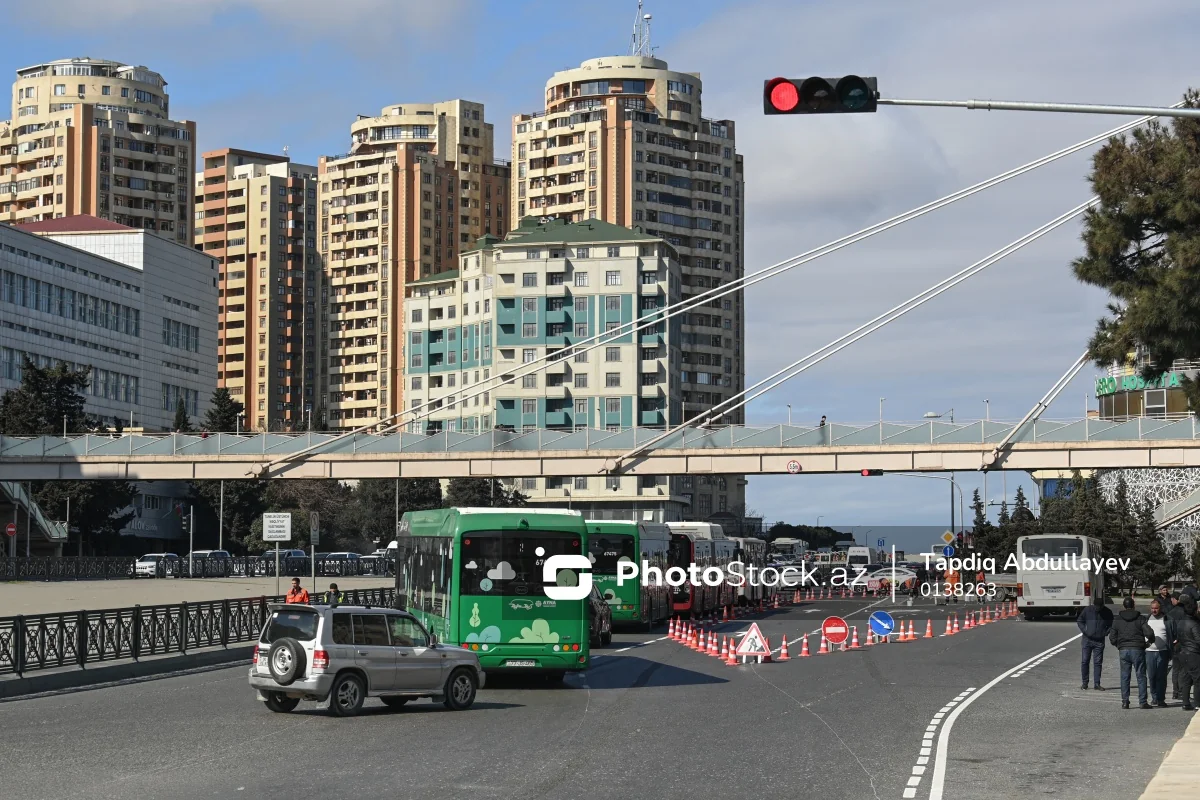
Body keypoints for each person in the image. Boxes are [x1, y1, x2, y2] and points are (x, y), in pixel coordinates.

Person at [1109, 596, 1154, 709]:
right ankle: (1143, 702)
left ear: (1123, 606)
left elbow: (1112, 637)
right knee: (1141, 676)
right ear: (1134, 606)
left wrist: (1118, 645)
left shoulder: (1118, 619)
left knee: (1125, 676)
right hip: (1138, 649)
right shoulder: (1140, 618)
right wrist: (1148, 643)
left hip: (1123, 649)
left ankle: (1125, 701)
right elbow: (1149, 633)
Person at [1076, 596, 1114, 691]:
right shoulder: (1088, 610)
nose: (1098, 608)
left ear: (1102, 606)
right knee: (1085, 661)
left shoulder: (1107, 612)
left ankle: (1097, 684)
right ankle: (1085, 683)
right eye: (1096, 606)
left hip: (1099, 641)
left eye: (1100, 607)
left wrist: (1106, 632)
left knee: (1098, 663)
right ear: (1094, 604)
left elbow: (1111, 624)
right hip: (1087, 640)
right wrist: (1085, 631)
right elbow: (1080, 620)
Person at [1173, 594, 1200, 711]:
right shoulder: (1194, 624)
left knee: (1186, 678)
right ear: (1194, 611)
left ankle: (1185, 702)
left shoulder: (1181, 622)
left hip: (1183, 653)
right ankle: (1198, 703)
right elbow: (1198, 639)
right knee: (1198, 679)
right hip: (1193, 653)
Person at [1145, 598, 1172, 707]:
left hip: (1163, 651)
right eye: (1152, 608)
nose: (1154, 610)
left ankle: (1161, 699)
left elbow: (1172, 633)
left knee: (1161, 677)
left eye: (1156, 608)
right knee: (1152, 676)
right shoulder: (1147, 619)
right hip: (1149, 651)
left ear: (1160, 608)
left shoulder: (1166, 619)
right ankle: (1154, 697)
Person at [1167, 592, 1189, 701]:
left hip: (1174, 643)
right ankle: (1181, 691)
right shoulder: (1186, 613)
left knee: (1175, 668)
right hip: (1184, 643)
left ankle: (1175, 692)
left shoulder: (1170, 613)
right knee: (1183, 669)